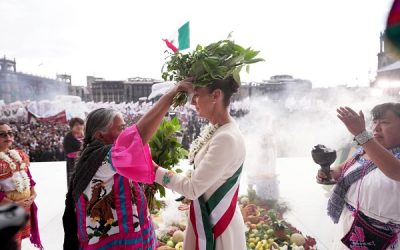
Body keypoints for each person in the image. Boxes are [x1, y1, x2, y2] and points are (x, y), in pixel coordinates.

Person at [63, 80, 192, 250]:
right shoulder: (98, 160)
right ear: (100, 135)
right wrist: (170, 95)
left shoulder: (115, 160)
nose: (125, 132)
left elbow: (153, 170)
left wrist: (188, 188)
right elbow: (135, 138)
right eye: (121, 128)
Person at [154, 76, 247, 250]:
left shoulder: (225, 137)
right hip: (209, 217)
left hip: (218, 227)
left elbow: (192, 189)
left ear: (216, 95)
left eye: (197, 95)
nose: (192, 102)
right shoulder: (221, 130)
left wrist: (154, 171)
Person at [317, 103, 400, 249]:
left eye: (385, 123)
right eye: (374, 122)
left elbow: (394, 170)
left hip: (380, 237)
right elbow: (342, 168)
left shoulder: (372, 147)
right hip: (350, 227)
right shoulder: (365, 149)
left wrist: (361, 134)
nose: (376, 128)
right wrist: (330, 173)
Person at [0, 122, 42, 250]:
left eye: (10, 133)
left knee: (17, 242)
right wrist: (14, 203)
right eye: (2, 134)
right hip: (6, 207)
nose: (8, 136)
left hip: (24, 206)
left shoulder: (19, 154)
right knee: (8, 244)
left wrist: (33, 194)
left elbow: (28, 177)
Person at [63, 117, 84, 188]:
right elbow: (70, 154)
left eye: (81, 124)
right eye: (77, 125)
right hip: (74, 165)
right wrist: (83, 152)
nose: (79, 126)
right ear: (72, 127)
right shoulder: (68, 138)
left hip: (86, 165)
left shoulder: (86, 136)